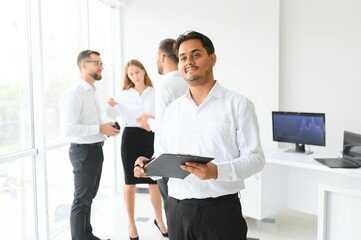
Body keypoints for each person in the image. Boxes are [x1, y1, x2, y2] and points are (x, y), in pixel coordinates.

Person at [134, 31, 265, 240]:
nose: (189, 62)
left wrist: (217, 171)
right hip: (177, 212)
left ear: (212, 58)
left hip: (221, 211)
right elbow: (162, 155)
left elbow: (256, 159)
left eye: (196, 55)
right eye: (183, 57)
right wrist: (148, 167)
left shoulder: (238, 105)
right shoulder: (172, 110)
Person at [59, 50, 120, 240]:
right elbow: (69, 130)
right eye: (97, 63)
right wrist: (99, 128)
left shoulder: (92, 92)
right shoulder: (73, 94)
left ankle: (87, 235)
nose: (101, 67)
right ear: (84, 65)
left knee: (88, 198)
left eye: (101, 63)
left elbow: (90, 124)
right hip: (83, 152)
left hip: (94, 150)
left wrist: (104, 128)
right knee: (81, 200)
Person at [106, 59, 167, 240]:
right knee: (130, 182)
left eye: (137, 72)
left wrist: (151, 119)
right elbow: (111, 114)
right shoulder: (124, 94)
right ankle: (131, 225)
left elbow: (162, 115)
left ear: (143, 71)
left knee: (154, 181)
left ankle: (160, 220)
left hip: (150, 135)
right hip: (130, 137)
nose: (135, 76)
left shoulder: (155, 93)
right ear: (128, 77)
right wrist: (110, 105)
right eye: (131, 74)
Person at [136, 38, 188, 201]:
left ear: (163, 57)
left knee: (172, 209)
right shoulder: (188, 81)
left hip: (169, 159)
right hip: (189, 154)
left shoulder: (165, 85)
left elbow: (165, 128)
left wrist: (148, 123)